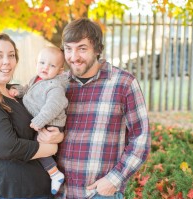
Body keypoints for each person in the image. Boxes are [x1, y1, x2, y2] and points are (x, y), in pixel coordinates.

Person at [42, 18, 151, 199]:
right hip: (61, 193)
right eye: (68, 49)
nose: (73, 56)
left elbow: (141, 137)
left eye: (82, 48)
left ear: (98, 49)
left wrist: (114, 180)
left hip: (99, 194)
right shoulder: (58, 85)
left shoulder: (123, 83)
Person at [0, 33, 61, 199]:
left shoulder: (19, 93)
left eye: (11, 55)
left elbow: (43, 125)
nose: (6, 61)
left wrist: (58, 135)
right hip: (9, 191)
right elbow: (8, 147)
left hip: (43, 189)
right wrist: (52, 148)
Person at [9, 46, 68, 195]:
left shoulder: (55, 86)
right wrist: (19, 91)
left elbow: (55, 105)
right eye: (42, 63)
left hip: (50, 123)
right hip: (42, 120)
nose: (45, 67)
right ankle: (53, 173)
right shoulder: (36, 79)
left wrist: (40, 120)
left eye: (52, 65)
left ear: (60, 70)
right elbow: (29, 90)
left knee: (38, 145)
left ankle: (55, 174)